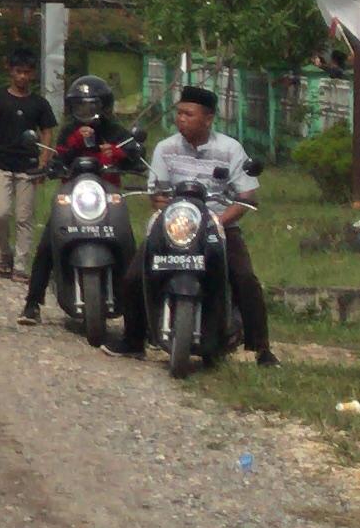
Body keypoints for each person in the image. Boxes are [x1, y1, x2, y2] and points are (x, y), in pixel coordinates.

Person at [130, 85, 273, 366]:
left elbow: (246, 197)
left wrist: (217, 221)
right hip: (175, 225)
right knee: (135, 274)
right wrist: (162, 203)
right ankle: (132, 339)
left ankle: (261, 348)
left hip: (218, 226)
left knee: (244, 277)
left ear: (208, 119)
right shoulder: (165, 148)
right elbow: (157, 193)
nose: (181, 119)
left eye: (189, 114)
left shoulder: (230, 149)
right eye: (179, 113)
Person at [21, 75, 145, 325]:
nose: (85, 112)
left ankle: (138, 318)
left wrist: (117, 153)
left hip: (108, 196)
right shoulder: (69, 131)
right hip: (74, 196)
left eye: (91, 106)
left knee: (128, 244)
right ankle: (32, 303)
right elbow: (58, 159)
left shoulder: (114, 130)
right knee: (47, 244)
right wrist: (74, 143)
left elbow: (136, 155)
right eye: (79, 106)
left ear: (104, 106)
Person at [0, 51, 58, 280]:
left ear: (32, 74)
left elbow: (47, 131)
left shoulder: (39, 103)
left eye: (26, 72)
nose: (22, 76)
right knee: (0, 213)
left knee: (24, 217)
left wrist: (44, 160)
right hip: (2, 164)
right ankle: (5, 253)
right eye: (18, 72)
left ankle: (21, 265)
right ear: (11, 72)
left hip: (28, 167)